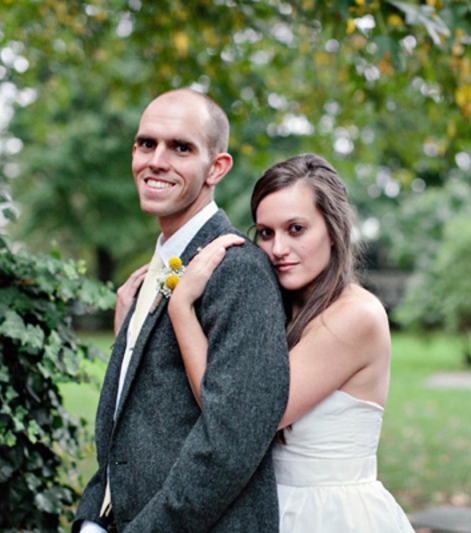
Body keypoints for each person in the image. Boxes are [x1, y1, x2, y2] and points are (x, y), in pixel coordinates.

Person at [72, 89, 290, 533]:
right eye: (146, 143)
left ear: (217, 167)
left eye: (181, 147)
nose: (156, 160)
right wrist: (92, 519)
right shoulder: (155, 270)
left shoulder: (237, 269)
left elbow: (230, 444)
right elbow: (127, 423)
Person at [168, 153, 416, 532]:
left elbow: (238, 420)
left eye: (296, 229)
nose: (277, 248)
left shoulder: (356, 317)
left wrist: (181, 309)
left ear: (334, 229)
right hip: (268, 507)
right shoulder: (280, 313)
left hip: (329, 516)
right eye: (266, 233)